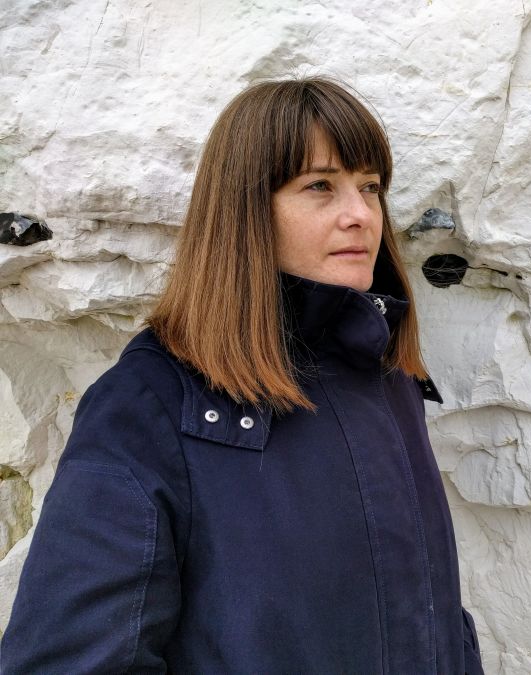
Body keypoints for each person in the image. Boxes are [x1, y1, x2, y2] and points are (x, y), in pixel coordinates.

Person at [1, 78, 484, 674]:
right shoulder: (150, 405)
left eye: (370, 187)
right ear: (246, 209)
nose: (361, 215)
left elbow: (423, 616)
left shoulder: (387, 378)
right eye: (319, 187)